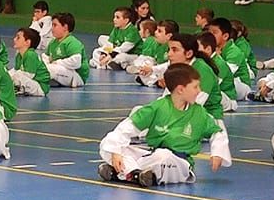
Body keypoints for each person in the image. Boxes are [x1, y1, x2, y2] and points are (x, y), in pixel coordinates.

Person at [97, 63, 229, 188]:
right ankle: (136, 174)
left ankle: (124, 173)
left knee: (164, 156)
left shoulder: (200, 113)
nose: (199, 91)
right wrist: (116, 152)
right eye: (195, 87)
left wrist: (217, 152)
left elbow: (217, 131)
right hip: (152, 155)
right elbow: (127, 127)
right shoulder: (158, 107)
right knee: (108, 146)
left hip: (179, 163)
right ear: (180, 89)